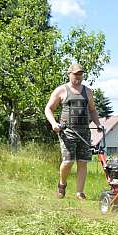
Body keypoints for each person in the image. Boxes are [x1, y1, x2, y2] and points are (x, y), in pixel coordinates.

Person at [45, 63, 102, 200]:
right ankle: (62, 184)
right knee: (68, 161)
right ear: (69, 74)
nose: (78, 76)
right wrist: (53, 123)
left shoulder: (88, 91)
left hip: (84, 132)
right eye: (76, 74)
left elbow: (92, 110)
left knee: (82, 162)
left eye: (80, 74)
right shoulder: (61, 90)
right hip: (67, 131)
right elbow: (48, 109)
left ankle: (79, 193)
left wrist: (98, 124)